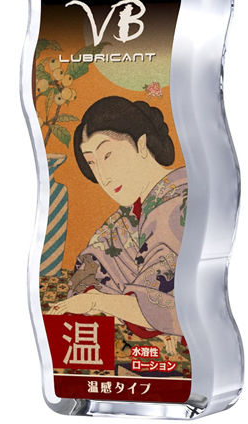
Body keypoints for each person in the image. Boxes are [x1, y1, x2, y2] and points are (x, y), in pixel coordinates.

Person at [47, 96, 188, 355]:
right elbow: (92, 262)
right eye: (92, 163)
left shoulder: (178, 205)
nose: (104, 176)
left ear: (141, 145)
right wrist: (97, 298)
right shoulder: (127, 216)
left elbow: (165, 305)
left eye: (108, 155)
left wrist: (98, 302)